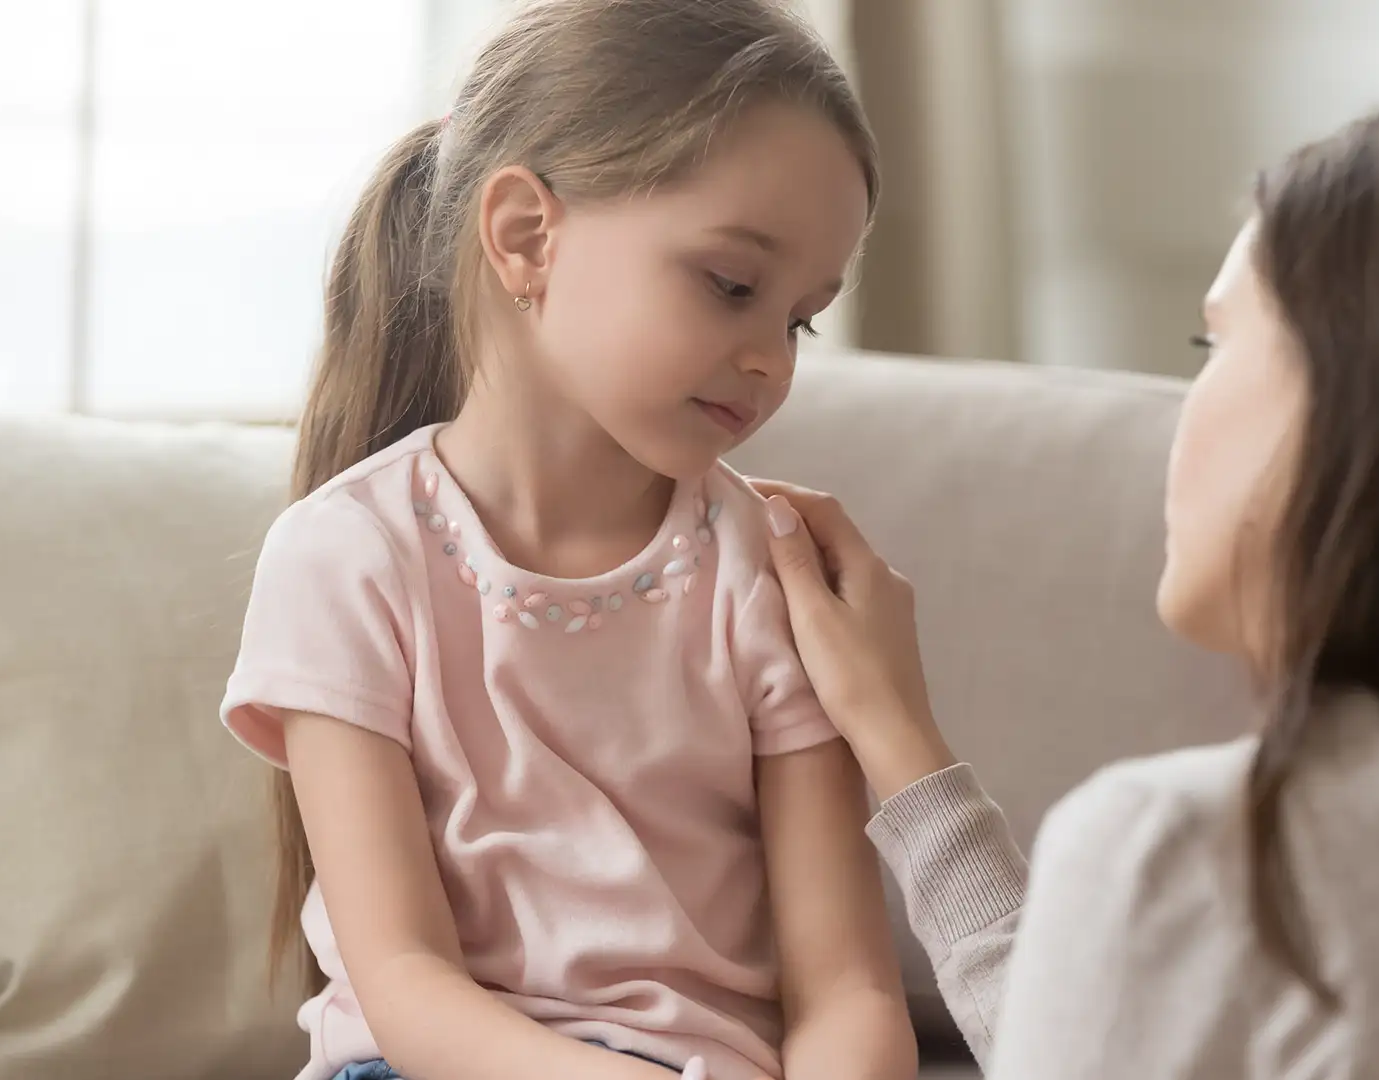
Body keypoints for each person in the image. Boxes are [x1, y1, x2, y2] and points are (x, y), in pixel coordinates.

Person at [755, 84, 1379, 1080]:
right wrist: (900, 743)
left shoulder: (1188, 850)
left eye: (1218, 343)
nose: (1182, 411)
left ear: (1368, 408)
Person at [217, 3, 914, 1079]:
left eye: (801, 318)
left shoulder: (768, 571)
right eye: (734, 286)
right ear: (526, 237)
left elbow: (849, 992)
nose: (773, 359)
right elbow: (405, 983)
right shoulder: (345, 558)